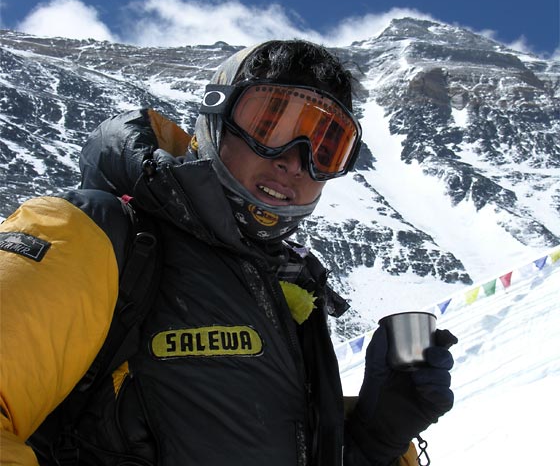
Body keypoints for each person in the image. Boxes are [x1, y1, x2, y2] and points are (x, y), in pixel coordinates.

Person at [0, 40, 456, 466]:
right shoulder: (88, 235)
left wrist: (373, 441)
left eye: (324, 147)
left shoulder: (288, 285)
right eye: (271, 125)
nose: (295, 161)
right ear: (215, 118)